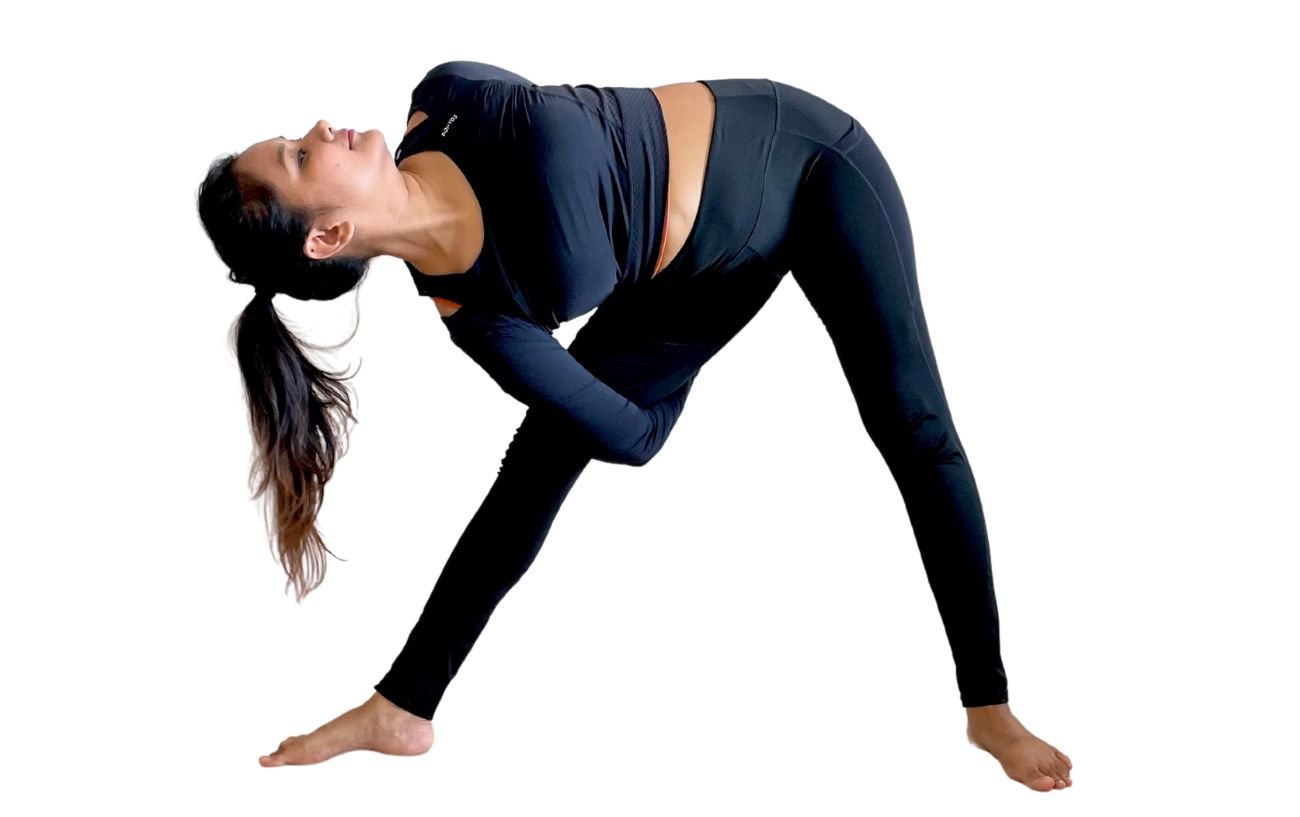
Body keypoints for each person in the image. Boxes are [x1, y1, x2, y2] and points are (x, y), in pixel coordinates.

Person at [196, 61, 1072, 790]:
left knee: (914, 425)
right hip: (696, 279)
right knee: (535, 466)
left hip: (804, 161)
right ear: (329, 235)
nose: (319, 126)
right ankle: (404, 706)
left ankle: (988, 704)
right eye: (301, 156)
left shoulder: (453, 96)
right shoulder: (481, 319)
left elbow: (583, 166)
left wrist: (611, 384)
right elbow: (632, 437)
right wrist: (629, 391)